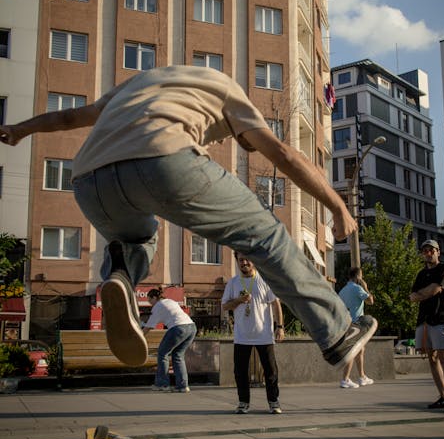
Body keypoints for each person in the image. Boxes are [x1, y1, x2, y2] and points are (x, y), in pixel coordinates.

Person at [0, 65, 377, 368]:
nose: (231, 141)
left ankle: (120, 277)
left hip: (87, 178)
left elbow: (72, 116)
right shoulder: (230, 92)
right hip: (163, 158)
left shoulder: (142, 83)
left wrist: (19, 129)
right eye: (237, 137)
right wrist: (337, 206)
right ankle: (337, 332)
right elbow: (284, 155)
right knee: (265, 236)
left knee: (141, 235)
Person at [222, 251, 285, 414]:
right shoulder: (233, 283)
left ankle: (273, 402)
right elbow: (224, 306)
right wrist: (238, 301)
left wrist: (280, 327)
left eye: (247, 259)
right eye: (241, 260)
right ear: (237, 261)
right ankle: (243, 402)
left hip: (264, 335)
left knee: (271, 371)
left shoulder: (264, 280)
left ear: (253, 261)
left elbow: (276, 304)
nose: (244, 263)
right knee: (240, 372)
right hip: (242, 336)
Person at [410, 240, 444, 413]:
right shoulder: (421, 274)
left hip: (442, 318)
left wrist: (423, 293)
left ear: (438, 252)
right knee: (432, 359)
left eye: (431, 250)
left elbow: (435, 289)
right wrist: (425, 292)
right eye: (425, 250)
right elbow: (412, 296)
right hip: (424, 320)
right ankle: (443, 396)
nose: (428, 253)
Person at [142, 288, 197, 392]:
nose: (150, 304)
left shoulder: (158, 306)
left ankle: (162, 384)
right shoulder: (170, 301)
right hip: (191, 327)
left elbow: (148, 327)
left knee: (163, 354)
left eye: (150, 300)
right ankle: (183, 386)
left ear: (154, 298)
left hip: (178, 328)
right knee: (178, 355)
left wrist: (139, 338)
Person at [338, 267, 375, 389]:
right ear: (358, 277)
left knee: (360, 350)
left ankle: (362, 377)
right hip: (357, 324)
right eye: (361, 276)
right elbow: (370, 301)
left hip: (345, 324)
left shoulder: (343, 290)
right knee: (353, 350)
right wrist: (365, 287)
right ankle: (345, 379)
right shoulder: (357, 288)